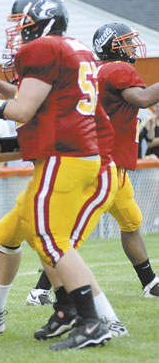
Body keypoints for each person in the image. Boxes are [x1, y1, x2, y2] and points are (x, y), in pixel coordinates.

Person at [0, 0, 112, 350]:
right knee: (34, 233)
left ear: (41, 22)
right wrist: (2, 88)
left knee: (50, 238)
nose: (18, 33)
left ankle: (94, 321)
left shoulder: (40, 49)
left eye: (22, 24)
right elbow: (41, 96)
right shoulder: (72, 47)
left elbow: (21, 111)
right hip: (78, 154)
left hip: (62, 155)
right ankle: (69, 312)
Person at [92, 22, 159, 298]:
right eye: (127, 41)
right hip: (103, 164)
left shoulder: (101, 71)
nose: (133, 46)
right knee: (74, 230)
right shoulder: (116, 69)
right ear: (114, 45)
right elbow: (142, 99)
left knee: (131, 221)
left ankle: (150, 283)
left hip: (112, 163)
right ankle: (42, 290)